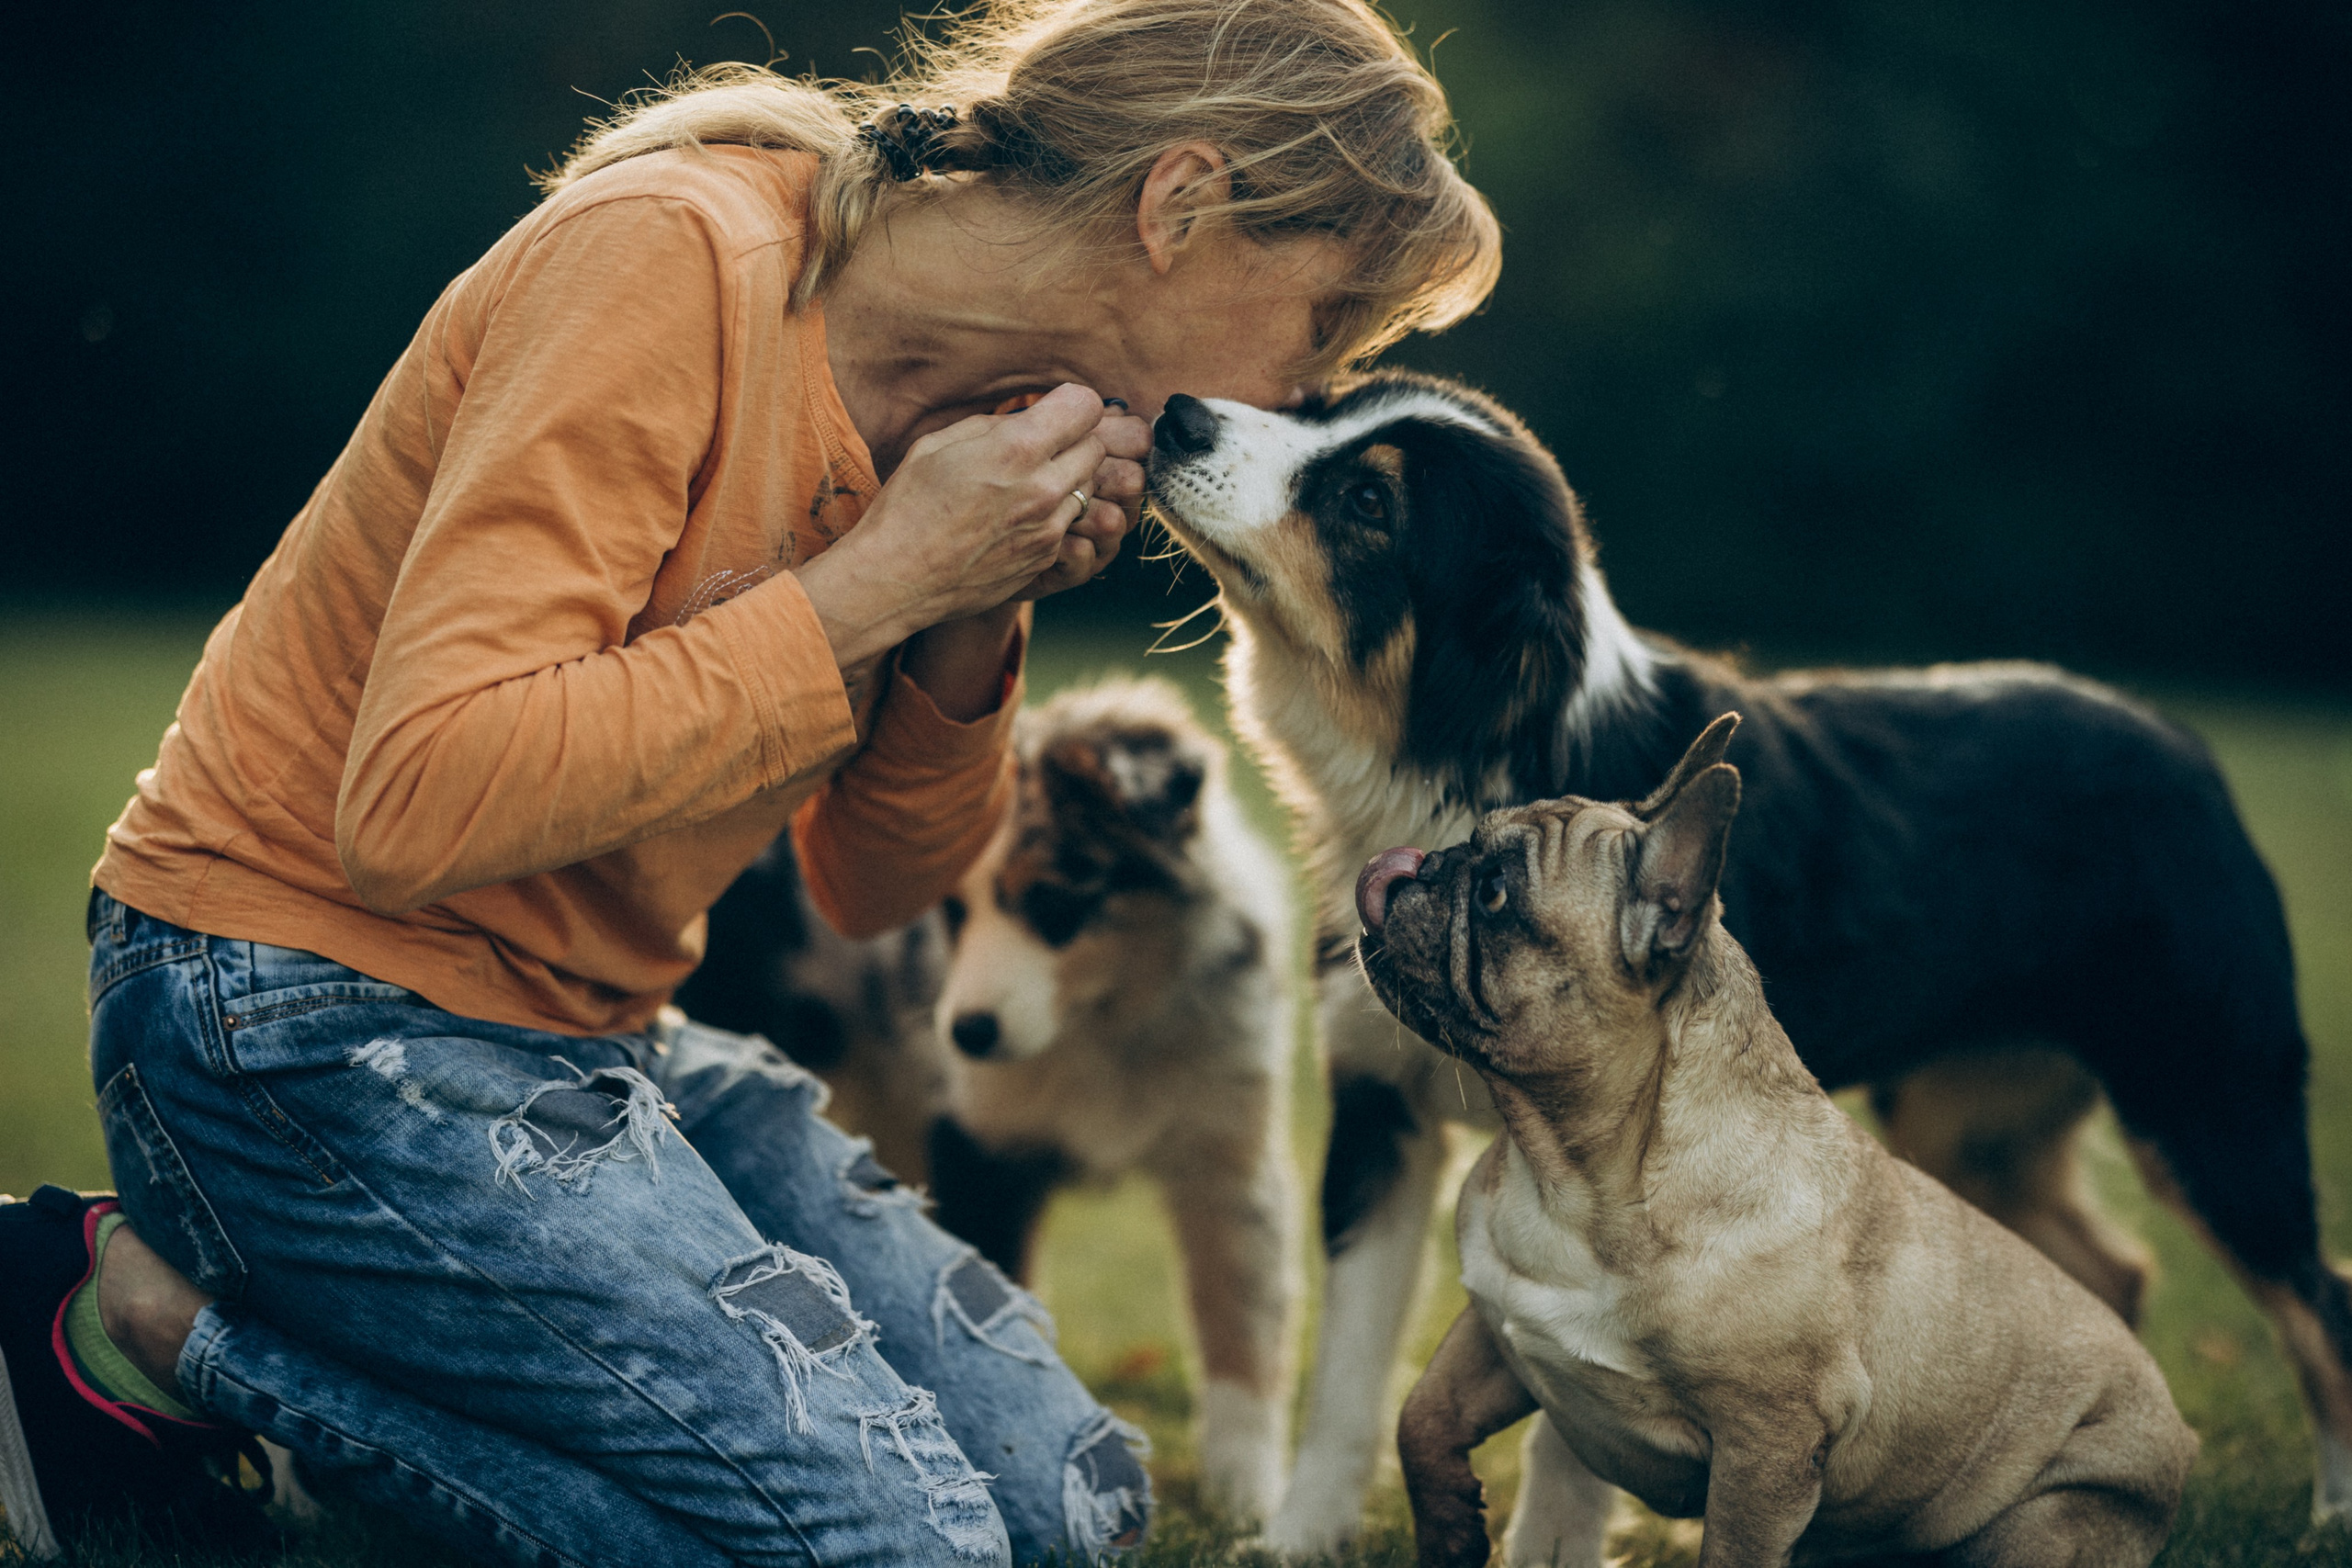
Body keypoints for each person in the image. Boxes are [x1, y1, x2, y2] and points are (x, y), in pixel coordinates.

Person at [0, 0, 1498, 1562]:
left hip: (591, 1041)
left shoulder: (991, 416)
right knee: (911, 1550)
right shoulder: (670, 261)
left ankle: (371, 1412)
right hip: (289, 1007)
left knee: (1079, 1505)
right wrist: (882, 578)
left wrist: (970, 604)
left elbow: (878, 888)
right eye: (1326, 328)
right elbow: (415, 803)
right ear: (1179, 208)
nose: (1305, 398)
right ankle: (134, 1331)